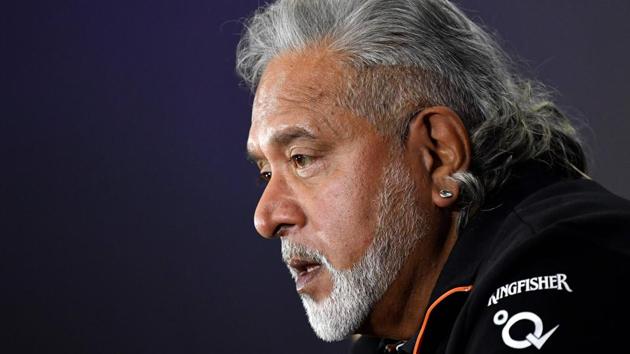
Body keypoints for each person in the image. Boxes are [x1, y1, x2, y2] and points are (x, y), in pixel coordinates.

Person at [237, 0, 630, 353]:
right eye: (266, 172)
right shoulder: (385, 334)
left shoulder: (568, 264)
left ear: (439, 155)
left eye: (302, 158)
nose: (265, 218)